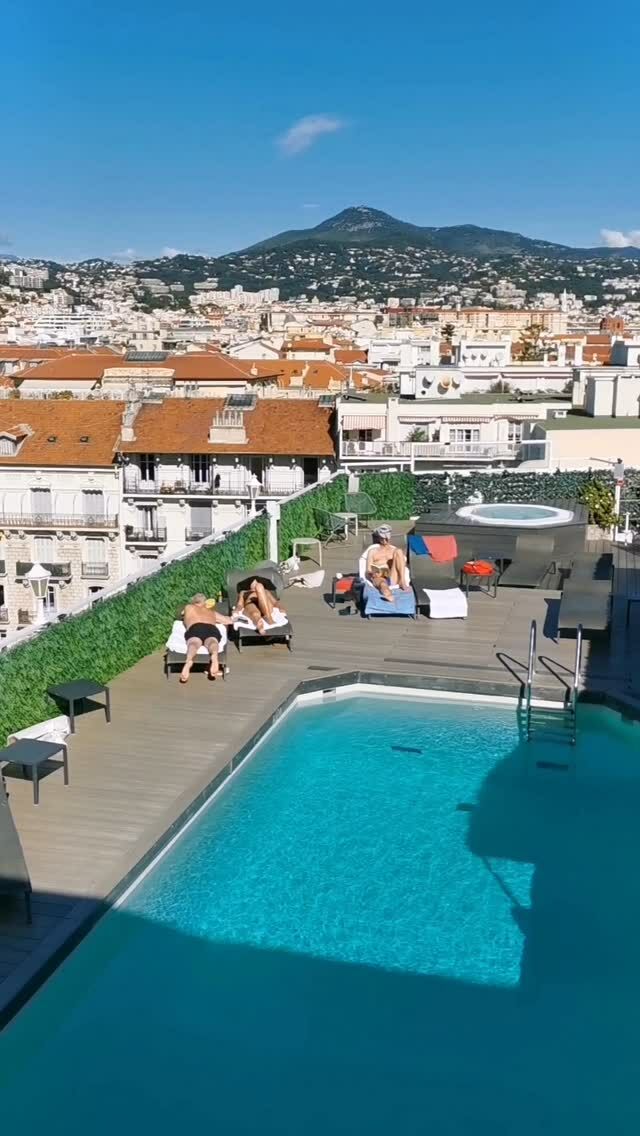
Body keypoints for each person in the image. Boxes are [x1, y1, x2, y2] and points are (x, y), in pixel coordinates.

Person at [180, 594, 233, 683]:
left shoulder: (188, 607)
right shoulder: (211, 612)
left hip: (195, 627)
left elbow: (182, 615)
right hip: (211, 628)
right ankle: (214, 654)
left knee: (193, 643)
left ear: (193, 602)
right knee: (212, 641)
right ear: (204, 602)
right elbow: (228, 620)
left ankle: (189, 661)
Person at [365, 524, 410, 602]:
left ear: (390, 537)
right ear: (378, 537)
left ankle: (402, 581)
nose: (384, 541)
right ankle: (389, 596)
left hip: (392, 576)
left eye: (386, 538)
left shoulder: (394, 550)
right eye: (382, 538)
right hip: (379, 577)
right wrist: (372, 573)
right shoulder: (372, 551)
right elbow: (367, 570)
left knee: (399, 551)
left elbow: (402, 565)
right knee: (383, 584)